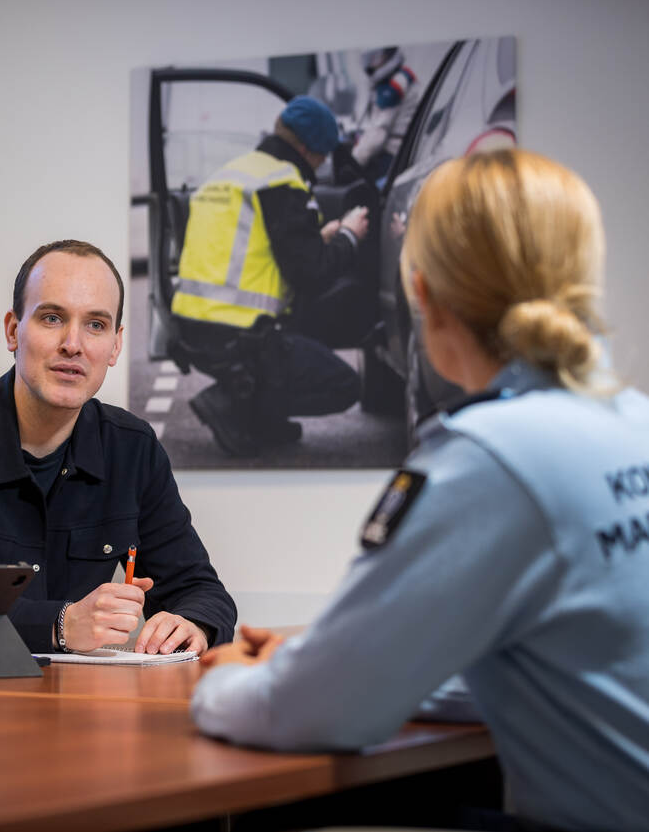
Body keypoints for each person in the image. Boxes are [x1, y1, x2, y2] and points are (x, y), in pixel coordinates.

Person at [191, 149, 649, 832]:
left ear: (424, 292)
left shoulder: (485, 458)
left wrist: (223, 679)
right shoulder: (633, 420)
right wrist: (322, 657)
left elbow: (317, 714)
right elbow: (564, 656)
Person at [0, 240, 237, 654]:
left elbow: (202, 591)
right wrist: (59, 625)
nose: (73, 344)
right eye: (51, 318)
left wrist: (191, 623)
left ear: (115, 346)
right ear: (13, 330)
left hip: (77, 704)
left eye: (95, 325)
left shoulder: (132, 447)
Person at [173, 95, 372, 457]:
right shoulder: (282, 182)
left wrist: (320, 237)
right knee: (345, 385)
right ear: (305, 148)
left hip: (192, 332)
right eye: (322, 154)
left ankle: (262, 422)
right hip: (239, 339)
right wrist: (349, 236)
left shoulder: (231, 174)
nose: (324, 162)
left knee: (293, 334)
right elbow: (312, 273)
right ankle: (232, 404)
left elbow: (259, 247)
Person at [352, 46, 423, 182]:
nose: (373, 64)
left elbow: (378, 133)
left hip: (393, 156)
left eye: (377, 58)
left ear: (389, 55)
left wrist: (355, 160)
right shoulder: (400, 78)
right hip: (400, 152)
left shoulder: (395, 85)